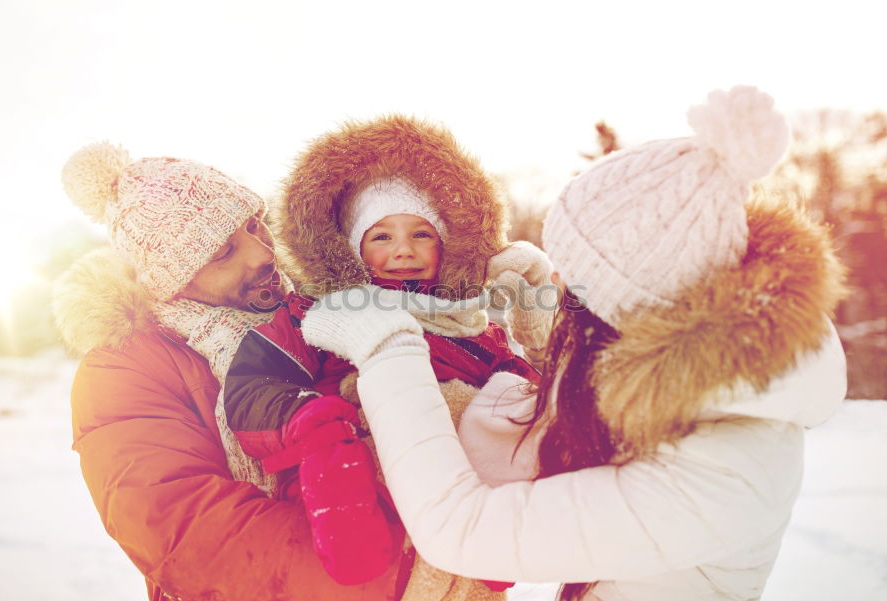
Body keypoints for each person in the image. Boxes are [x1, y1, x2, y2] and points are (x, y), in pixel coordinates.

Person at [299, 86, 849, 600]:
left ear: (625, 304)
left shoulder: (722, 475)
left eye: (576, 283)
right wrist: (539, 337)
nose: (560, 289)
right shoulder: (692, 386)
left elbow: (461, 526)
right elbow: (549, 425)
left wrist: (388, 348)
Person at [163, 115, 556, 601]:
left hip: (457, 485)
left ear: (447, 242)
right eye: (382, 237)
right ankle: (348, 522)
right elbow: (253, 383)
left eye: (422, 234)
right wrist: (306, 419)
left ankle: (493, 537)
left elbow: (516, 384)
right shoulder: (318, 310)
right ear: (354, 247)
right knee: (342, 443)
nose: (404, 251)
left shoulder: (468, 317)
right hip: (352, 459)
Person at [51, 143, 413, 601]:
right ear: (171, 279)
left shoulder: (316, 313)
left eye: (253, 224)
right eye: (223, 252)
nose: (262, 254)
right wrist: (397, 573)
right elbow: (190, 533)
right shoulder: (123, 369)